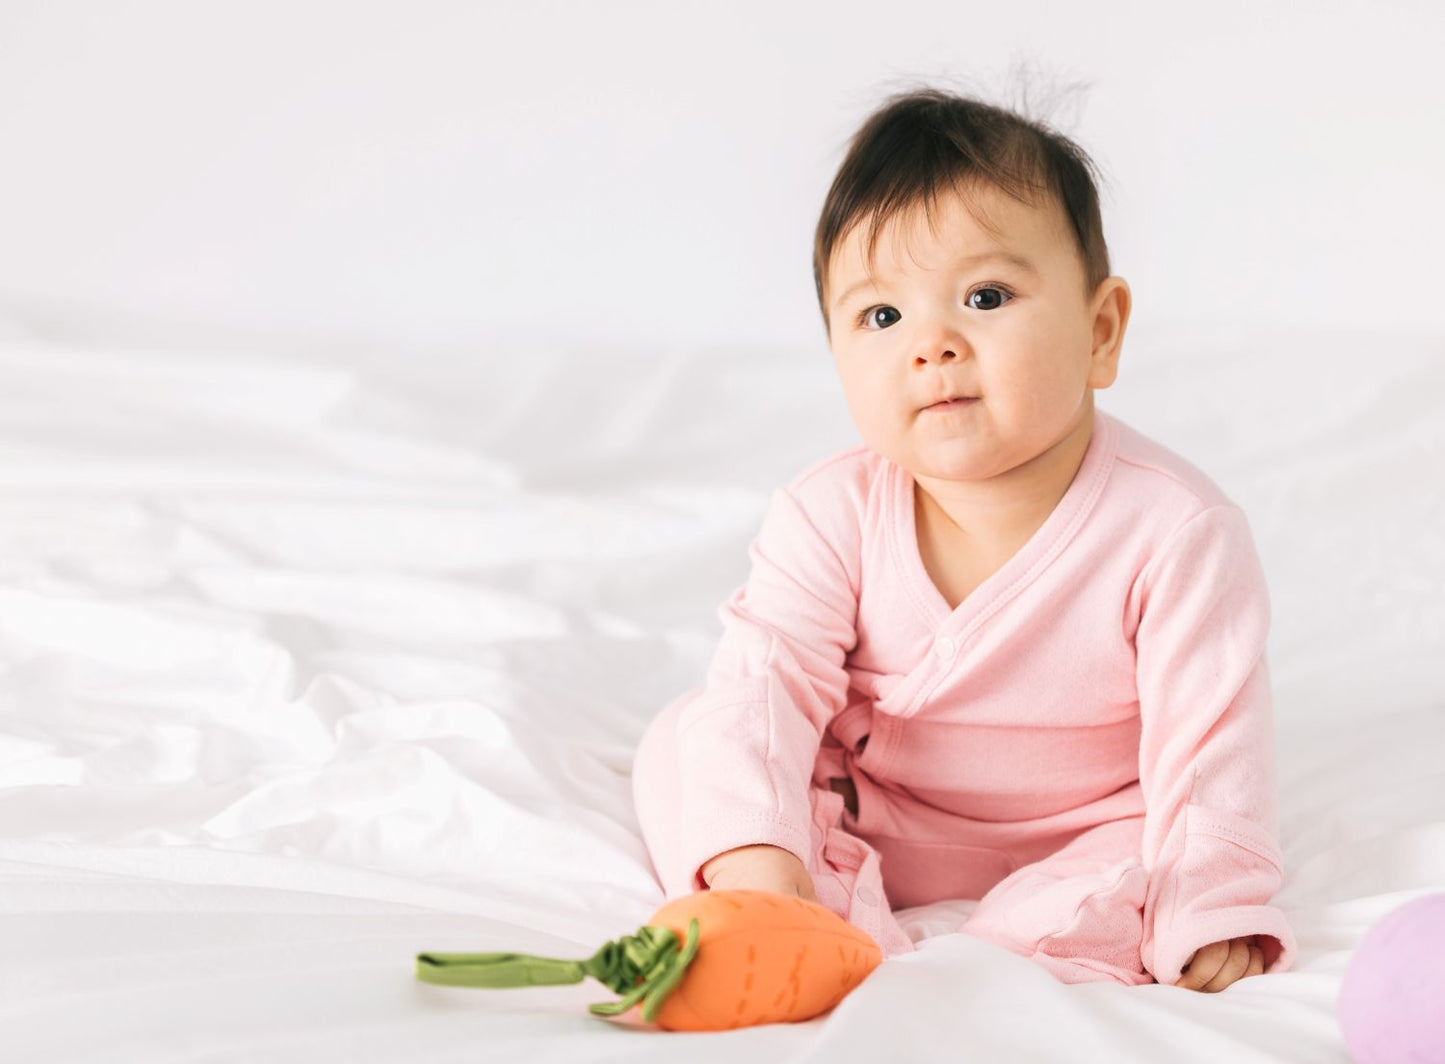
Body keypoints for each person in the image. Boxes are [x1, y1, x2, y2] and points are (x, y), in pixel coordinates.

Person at [630, 86, 1295, 992]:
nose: (931, 344)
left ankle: (999, 957)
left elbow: (1210, 745)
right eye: (880, 316)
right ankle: (786, 907)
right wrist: (758, 854)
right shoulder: (830, 511)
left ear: (1100, 332)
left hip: (1082, 829)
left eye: (984, 296)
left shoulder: (1176, 531)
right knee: (696, 735)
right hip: (875, 819)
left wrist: (1208, 902)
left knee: (1145, 866)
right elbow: (770, 681)